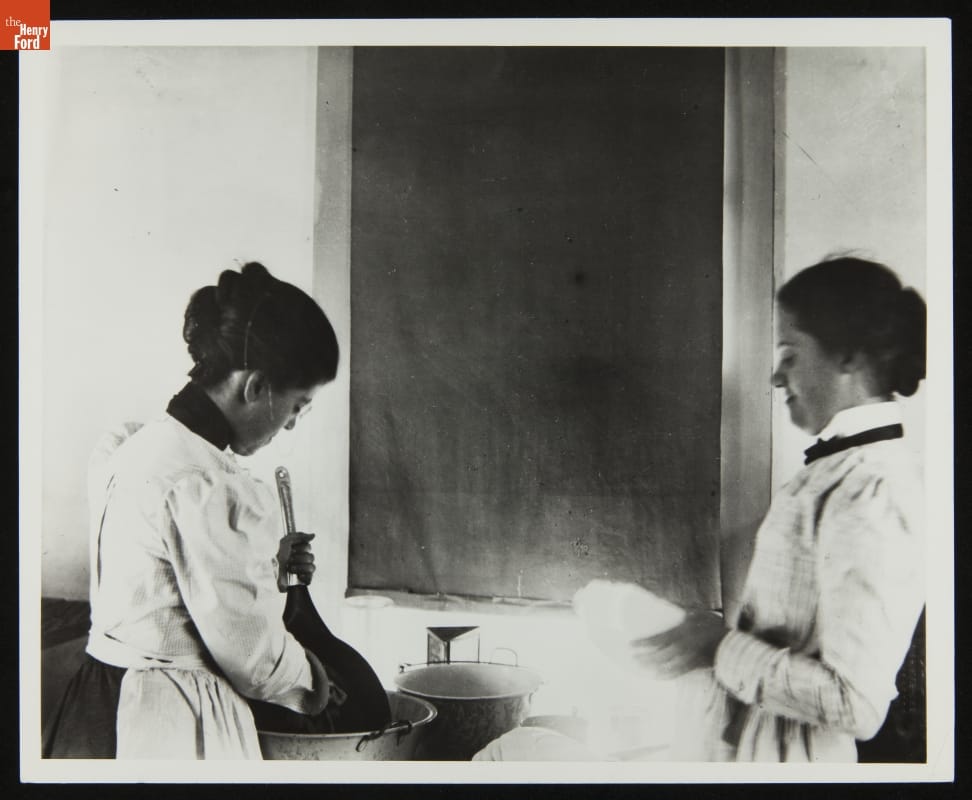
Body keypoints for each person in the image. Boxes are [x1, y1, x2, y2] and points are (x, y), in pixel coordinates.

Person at [632, 256, 927, 762]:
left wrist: (717, 647)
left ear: (849, 357)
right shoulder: (837, 472)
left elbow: (855, 702)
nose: (775, 376)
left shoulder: (872, 489)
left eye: (790, 355)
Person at [43, 262, 341, 759]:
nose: (290, 426)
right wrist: (313, 681)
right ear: (254, 387)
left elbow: (165, 588)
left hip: (97, 701)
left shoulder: (132, 446)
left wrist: (268, 567)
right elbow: (254, 659)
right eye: (296, 406)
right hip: (165, 721)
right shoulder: (208, 484)